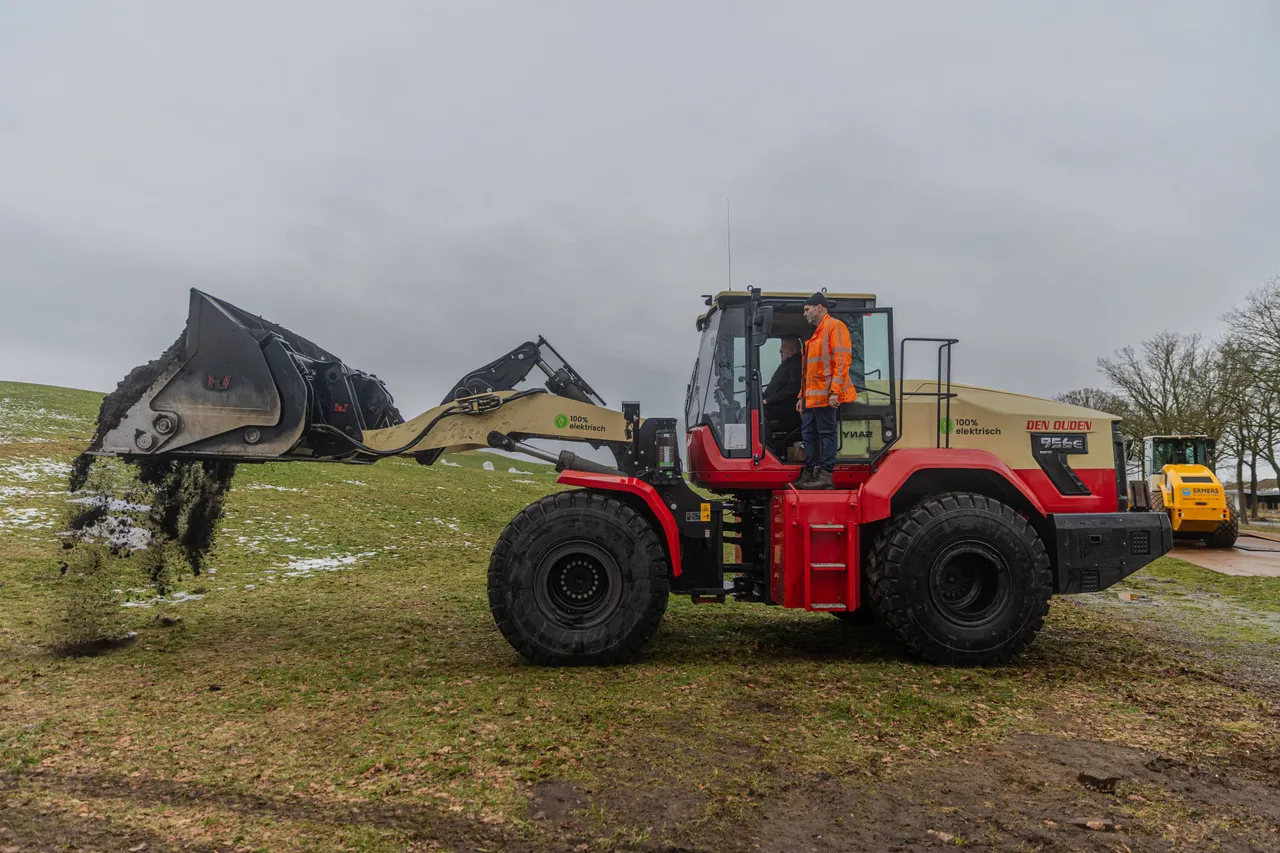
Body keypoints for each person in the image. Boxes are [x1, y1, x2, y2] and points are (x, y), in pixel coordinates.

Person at [795, 293, 858, 489]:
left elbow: (842, 360)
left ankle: (826, 475)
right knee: (809, 434)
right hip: (811, 398)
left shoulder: (835, 327)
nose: (804, 313)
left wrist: (835, 393)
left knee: (826, 434)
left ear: (819, 307)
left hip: (826, 396)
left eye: (807, 309)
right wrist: (801, 396)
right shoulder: (816, 333)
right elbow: (809, 370)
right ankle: (810, 472)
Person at [762, 336, 803, 452]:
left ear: (793, 351)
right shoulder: (789, 364)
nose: (780, 353)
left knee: (757, 414)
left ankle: (767, 448)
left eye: (782, 350)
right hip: (777, 405)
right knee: (748, 411)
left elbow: (792, 389)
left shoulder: (796, 365)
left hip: (787, 408)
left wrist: (768, 401)